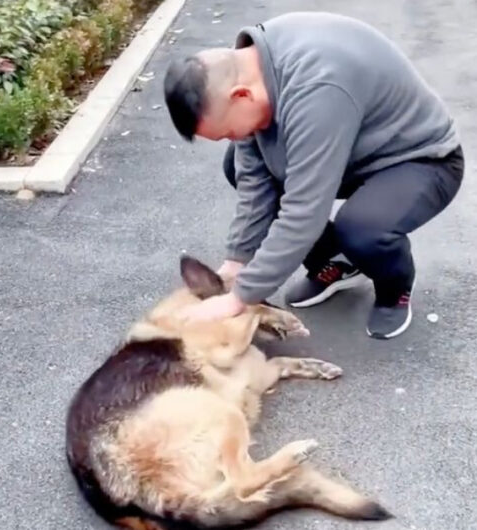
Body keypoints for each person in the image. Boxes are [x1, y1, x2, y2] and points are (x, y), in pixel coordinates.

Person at [163, 12, 463, 339]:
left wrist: (237, 299)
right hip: (352, 150)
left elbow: (304, 210)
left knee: (361, 228)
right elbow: (255, 179)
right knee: (236, 164)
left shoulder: (317, 87)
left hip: (420, 159)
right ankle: (336, 262)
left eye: (228, 132)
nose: (234, 139)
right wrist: (238, 261)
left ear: (241, 95)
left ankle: (395, 290)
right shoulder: (250, 69)